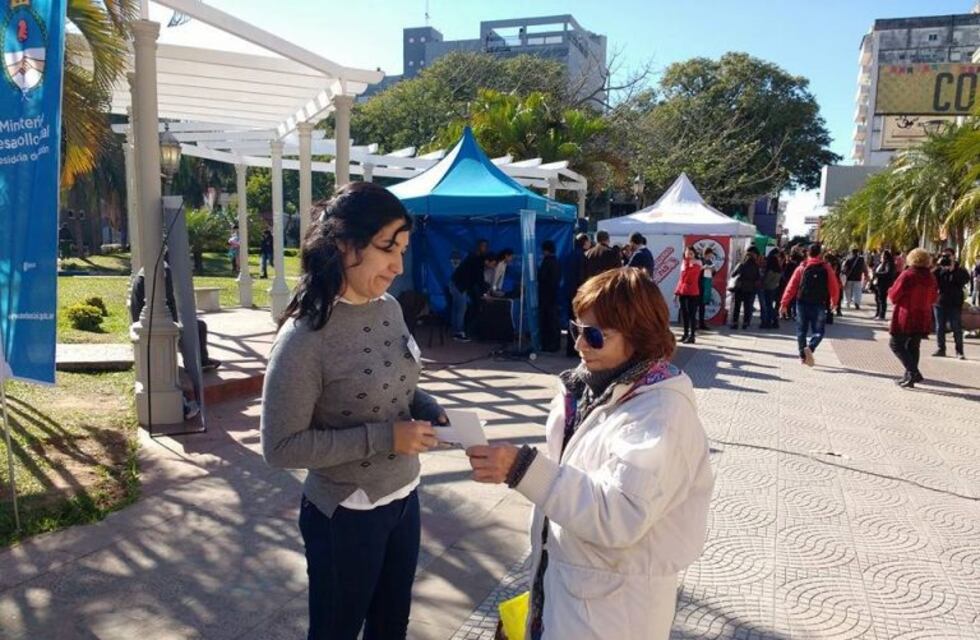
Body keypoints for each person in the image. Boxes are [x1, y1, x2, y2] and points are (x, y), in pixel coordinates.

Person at [465, 268, 713, 640]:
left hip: (615, 612)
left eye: (595, 335)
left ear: (639, 337)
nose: (580, 344)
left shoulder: (661, 414)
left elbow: (621, 513)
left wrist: (523, 470)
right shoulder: (591, 388)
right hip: (569, 589)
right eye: (577, 329)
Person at [261, 182, 447, 639]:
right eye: (387, 248)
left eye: (403, 249)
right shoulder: (306, 338)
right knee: (336, 630)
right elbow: (280, 447)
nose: (398, 265)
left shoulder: (390, 310)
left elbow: (400, 387)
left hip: (404, 498)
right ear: (344, 244)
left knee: (390, 626)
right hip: (346, 514)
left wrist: (428, 407)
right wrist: (386, 438)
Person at [779, 243, 841, 367]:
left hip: (802, 302)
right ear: (820, 254)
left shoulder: (802, 267)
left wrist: (784, 303)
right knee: (819, 331)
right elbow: (834, 286)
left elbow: (791, 286)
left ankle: (803, 356)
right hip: (819, 303)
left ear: (808, 253)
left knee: (801, 330)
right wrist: (834, 302)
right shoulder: (826, 267)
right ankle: (811, 347)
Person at [888, 248, 938, 388]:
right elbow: (934, 297)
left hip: (907, 315)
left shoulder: (908, 275)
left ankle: (913, 372)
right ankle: (909, 377)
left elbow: (894, 295)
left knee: (896, 344)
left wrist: (890, 291)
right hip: (923, 315)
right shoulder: (930, 277)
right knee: (913, 346)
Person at [450, 239, 489, 341]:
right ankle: (458, 333)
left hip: (456, 283)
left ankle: (455, 331)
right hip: (459, 285)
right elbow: (478, 278)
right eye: (483, 246)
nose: (485, 248)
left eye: (486, 246)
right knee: (461, 309)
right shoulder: (477, 259)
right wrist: (484, 292)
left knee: (457, 309)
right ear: (479, 247)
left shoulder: (473, 257)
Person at [933, 254, 970, 360]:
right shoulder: (939, 269)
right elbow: (931, 279)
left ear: (954, 257)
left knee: (956, 328)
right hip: (940, 302)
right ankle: (941, 349)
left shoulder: (961, 270)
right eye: (944, 256)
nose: (946, 260)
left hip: (954, 303)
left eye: (948, 257)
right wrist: (938, 266)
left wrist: (953, 269)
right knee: (939, 327)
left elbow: (965, 281)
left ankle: (959, 351)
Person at [565, 233, 592, 357]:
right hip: (579, 293)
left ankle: (569, 349)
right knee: (579, 322)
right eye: (588, 241)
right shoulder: (582, 257)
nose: (590, 244)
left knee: (571, 320)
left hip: (568, 292)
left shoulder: (569, 255)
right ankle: (576, 350)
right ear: (584, 242)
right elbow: (582, 277)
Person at [675, 245, 702, 344]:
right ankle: (685, 334)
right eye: (687, 253)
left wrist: (688, 263)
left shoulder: (697, 263)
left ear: (694, 254)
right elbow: (681, 279)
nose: (689, 255)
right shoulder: (684, 263)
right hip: (683, 291)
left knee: (692, 314)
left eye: (691, 253)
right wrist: (677, 292)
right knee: (684, 314)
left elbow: (689, 277)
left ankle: (692, 335)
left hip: (692, 291)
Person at [538, 240, 562, 352]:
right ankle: (555, 344)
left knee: (547, 321)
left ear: (545, 250)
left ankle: (548, 345)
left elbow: (541, 277)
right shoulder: (556, 261)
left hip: (546, 296)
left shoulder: (546, 261)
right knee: (554, 321)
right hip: (554, 295)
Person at [729, 247, 760, 329]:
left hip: (739, 288)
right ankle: (745, 323)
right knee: (747, 307)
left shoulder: (741, 264)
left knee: (737, 307)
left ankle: (735, 323)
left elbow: (733, 275)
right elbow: (758, 278)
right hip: (749, 289)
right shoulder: (755, 266)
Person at [871, 250, 897, 319]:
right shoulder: (881, 263)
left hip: (884, 284)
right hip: (878, 283)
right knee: (877, 299)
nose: (881, 257)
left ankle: (881, 315)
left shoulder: (889, 263)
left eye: (882, 255)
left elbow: (887, 273)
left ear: (885, 256)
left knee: (882, 299)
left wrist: (877, 274)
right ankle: (877, 313)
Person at [760, 249, 783, 329]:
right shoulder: (778, 269)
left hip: (768, 288)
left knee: (768, 306)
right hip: (774, 288)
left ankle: (769, 321)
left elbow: (766, 280)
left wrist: (763, 282)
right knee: (770, 305)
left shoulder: (770, 270)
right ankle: (774, 320)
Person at [697, 247, 717, 330]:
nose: (710, 256)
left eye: (711, 255)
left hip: (706, 285)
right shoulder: (700, 260)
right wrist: (703, 268)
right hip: (699, 284)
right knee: (696, 304)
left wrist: (713, 270)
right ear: (706, 253)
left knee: (703, 305)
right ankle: (694, 323)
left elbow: (713, 273)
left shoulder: (710, 261)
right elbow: (696, 271)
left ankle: (701, 323)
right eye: (709, 255)